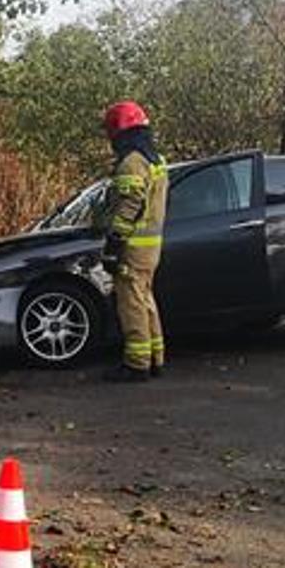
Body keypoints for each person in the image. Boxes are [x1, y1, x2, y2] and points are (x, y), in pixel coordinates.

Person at [100, 100, 169, 383]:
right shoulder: (156, 160)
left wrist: (115, 241)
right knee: (146, 300)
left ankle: (136, 364)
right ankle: (156, 357)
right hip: (151, 247)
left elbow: (131, 204)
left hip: (133, 247)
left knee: (131, 304)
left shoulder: (131, 163)